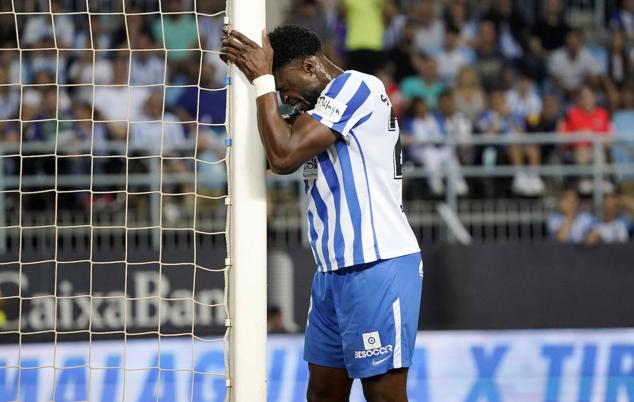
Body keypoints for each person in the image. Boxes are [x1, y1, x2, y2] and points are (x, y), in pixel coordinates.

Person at [222, 24, 422, 401]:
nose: (284, 98)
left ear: (311, 67)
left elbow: (282, 157)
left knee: (383, 395)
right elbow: (270, 150)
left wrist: (263, 78)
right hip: (331, 274)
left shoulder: (356, 87)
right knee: (322, 395)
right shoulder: (314, 111)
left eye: (285, 87)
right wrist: (250, 81)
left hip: (377, 264)